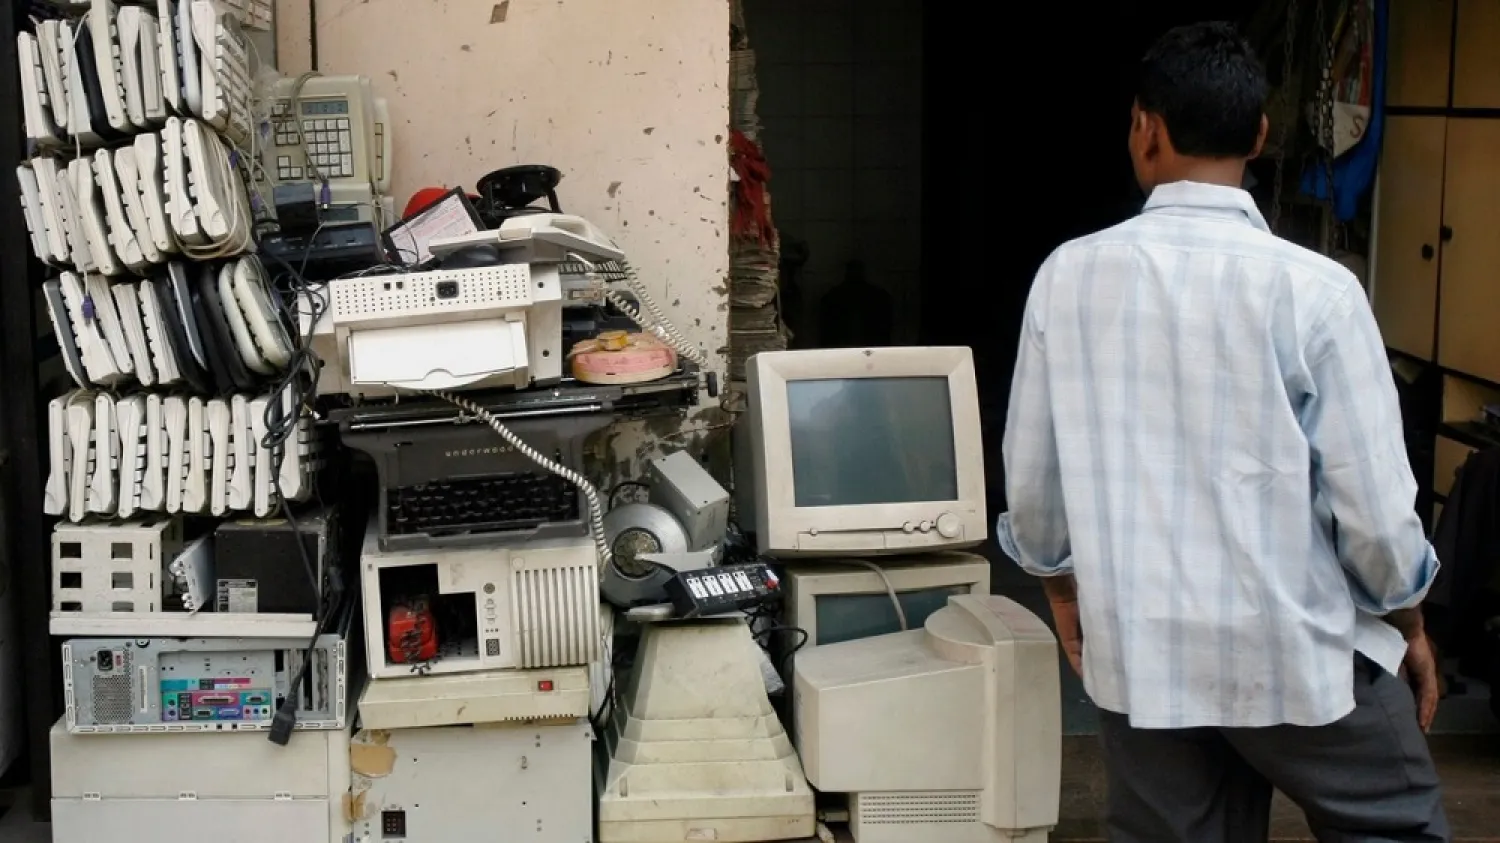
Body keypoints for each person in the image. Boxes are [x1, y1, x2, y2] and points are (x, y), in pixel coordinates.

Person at [995, 22, 1449, 843]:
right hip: (1299, 651)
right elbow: (1376, 508)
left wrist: (1060, 589)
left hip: (1144, 649)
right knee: (1395, 824)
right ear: (1262, 135)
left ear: (1145, 129)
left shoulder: (1067, 277)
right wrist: (1407, 620)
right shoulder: (1318, 292)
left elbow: (1032, 485)